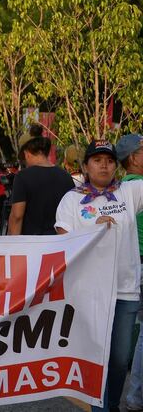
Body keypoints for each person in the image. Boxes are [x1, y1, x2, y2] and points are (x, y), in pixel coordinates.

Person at [55, 140, 143, 412]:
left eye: (109, 160)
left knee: (118, 360)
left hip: (125, 289)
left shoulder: (129, 191)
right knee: (95, 357)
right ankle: (101, 408)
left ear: (117, 165)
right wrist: (93, 229)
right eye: (97, 160)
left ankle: (111, 404)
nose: (103, 165)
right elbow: (63, 241)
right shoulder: (71, 199)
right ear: (85, 166)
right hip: (89, 293)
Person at [8, 124, 74, 235]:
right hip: (59, 245)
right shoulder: (66, 176)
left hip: (32, 246)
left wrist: (13, 246)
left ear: (26, 153)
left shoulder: (23, 177)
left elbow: (17, 216)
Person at [117, 134, 143, 412]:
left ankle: (134, 397)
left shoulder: (120, 187)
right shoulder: (139, 188)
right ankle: (135, 397)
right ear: (133, 158)